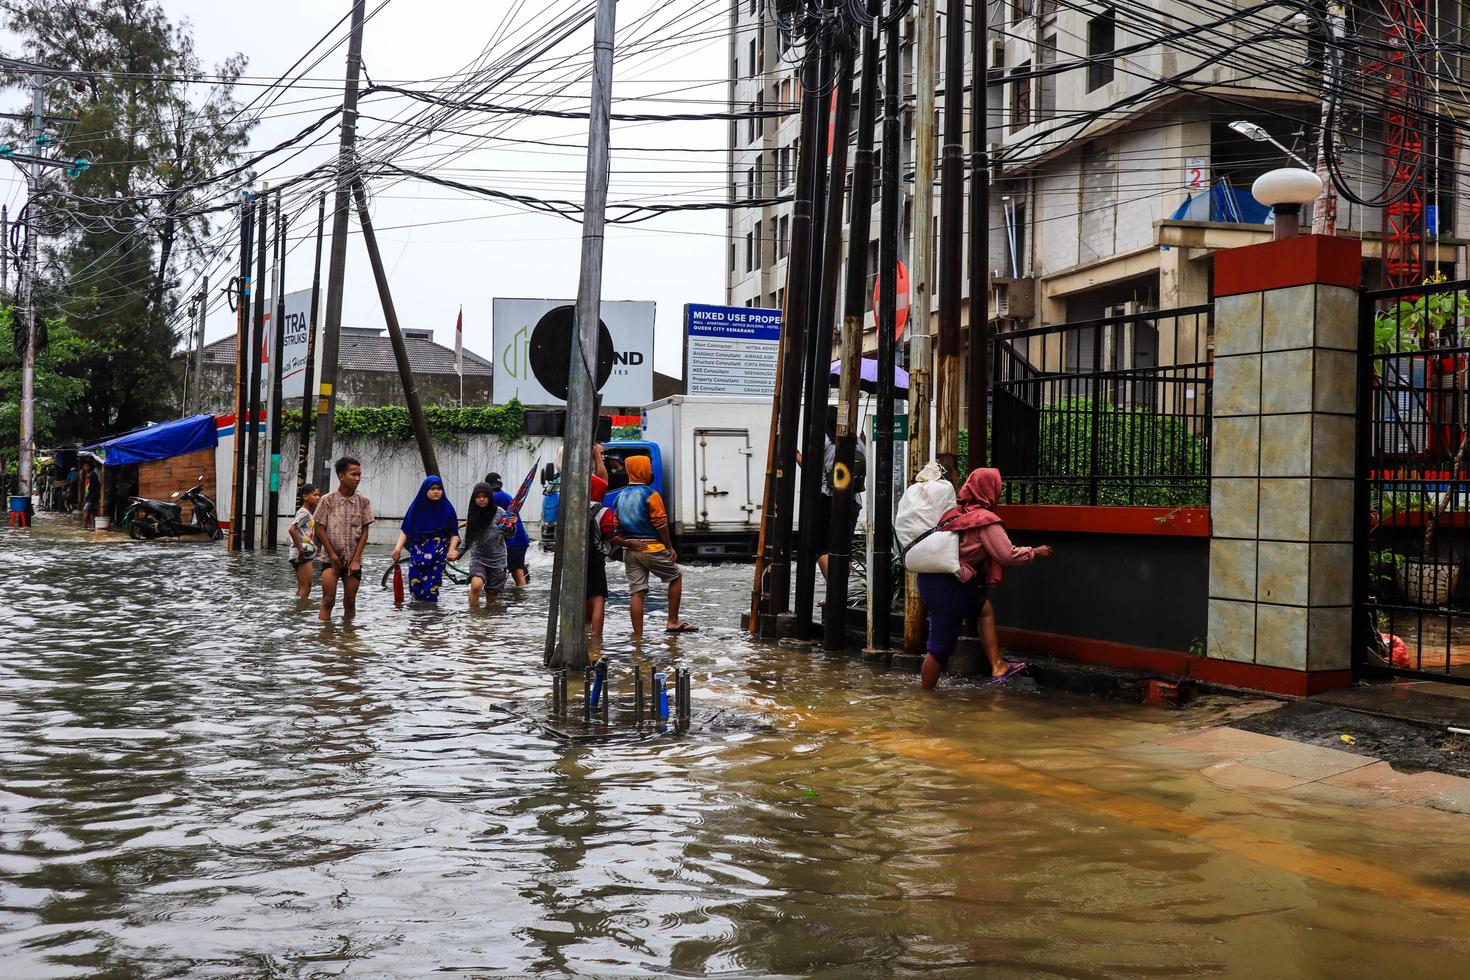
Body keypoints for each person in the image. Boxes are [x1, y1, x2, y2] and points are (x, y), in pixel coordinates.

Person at [916, 467, 1053, 691]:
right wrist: (1035, 551)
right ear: (990, 489)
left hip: (931, 580)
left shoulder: (955, 513)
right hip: (946, 586)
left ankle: (997, 665)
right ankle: (924, 701)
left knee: (983, 608)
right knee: (940, 649)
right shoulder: (985, 521)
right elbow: (1006, 554)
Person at [614, 455, 696, 635]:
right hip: (652, 549)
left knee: (637, 592)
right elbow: (661, 524)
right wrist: (669, 546)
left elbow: (616, 529)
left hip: (630, 550)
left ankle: (638, 637)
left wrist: (628, 543)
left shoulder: (619, 497)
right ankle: (672, 621)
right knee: (675, 577)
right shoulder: (651, 494)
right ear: (642, 470)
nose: (650, 471)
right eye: (648, 467)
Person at [798, 414, 868, 581]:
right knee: (845, 546)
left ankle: (833, 591)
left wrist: (795, 453)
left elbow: (809, 465)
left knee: (822, 546)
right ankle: (841, 592)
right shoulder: (857, 441)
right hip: (853, 500)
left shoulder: (824, 440)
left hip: (828, 499)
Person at [315, 456, 374, 621]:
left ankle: (348, 638)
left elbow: (364, 532)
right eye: (353, 474)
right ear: (341, 476)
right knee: (328, 600)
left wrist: (356, 559)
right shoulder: (327, 500)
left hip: (353, 561)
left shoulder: (363, 502)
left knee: (350, 602)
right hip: (330, 559)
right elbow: (320, 529)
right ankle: (325, 638)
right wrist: (333, 556)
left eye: (359, 475)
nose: (357, 479)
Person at [392, 476, 460, 604]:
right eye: (432, 489)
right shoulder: (416, 508)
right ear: (425, 490)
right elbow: (406, 531)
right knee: (415, 589)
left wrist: (451, 550)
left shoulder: (447, 509)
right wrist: (397, 548)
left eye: (439, 489)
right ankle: (418, 621)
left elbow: (454, 534)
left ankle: (432, 620)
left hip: (437, 556)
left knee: (431, 591)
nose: (436, 491)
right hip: (417, 555)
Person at [462, 480, 513, 608]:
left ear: (490, 498)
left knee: (491, 599)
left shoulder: (500, 512)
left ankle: (488, 623)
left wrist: (511, 525)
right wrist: (457, 552)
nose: (481, 500)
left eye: (484, 497)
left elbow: (510, 535)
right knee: (476, 586)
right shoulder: (473, 514)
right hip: (478, 558)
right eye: (478, 497)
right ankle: (473, 616)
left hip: (498, 560)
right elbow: (468, 538)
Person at [485, 471, 531, 587]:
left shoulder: (494, 498)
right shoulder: (506, 496)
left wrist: (459, 525)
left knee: (497, 574)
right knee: (517, 571)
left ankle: (496, 602)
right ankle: (521, 599)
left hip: (511, 541)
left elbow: (481, 517)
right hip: (521, 540)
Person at [289, 484, 323, 599]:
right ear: (305, 496)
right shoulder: (304, 512)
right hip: (302, 552)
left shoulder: (307, 513)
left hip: (303, 550)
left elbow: (305, 534)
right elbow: (292, 530)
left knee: (302, 588)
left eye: (318, 495)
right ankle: (301, 613)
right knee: (306, 588)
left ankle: (298, 612)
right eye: (314, 495)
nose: (317, 497)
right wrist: (300, 550)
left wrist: (313, 547)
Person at [80, 461, 100, 530]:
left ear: (90, 467)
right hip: (87, 495)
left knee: (86, 510)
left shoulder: (93, 475)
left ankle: (84, 526)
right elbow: (83, 485)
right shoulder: (85, 475)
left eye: (87, 466)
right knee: (91, 511)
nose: (85, 468)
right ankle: (92, 526)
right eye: (84, 467)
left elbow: (96, 486)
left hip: (91, 496)